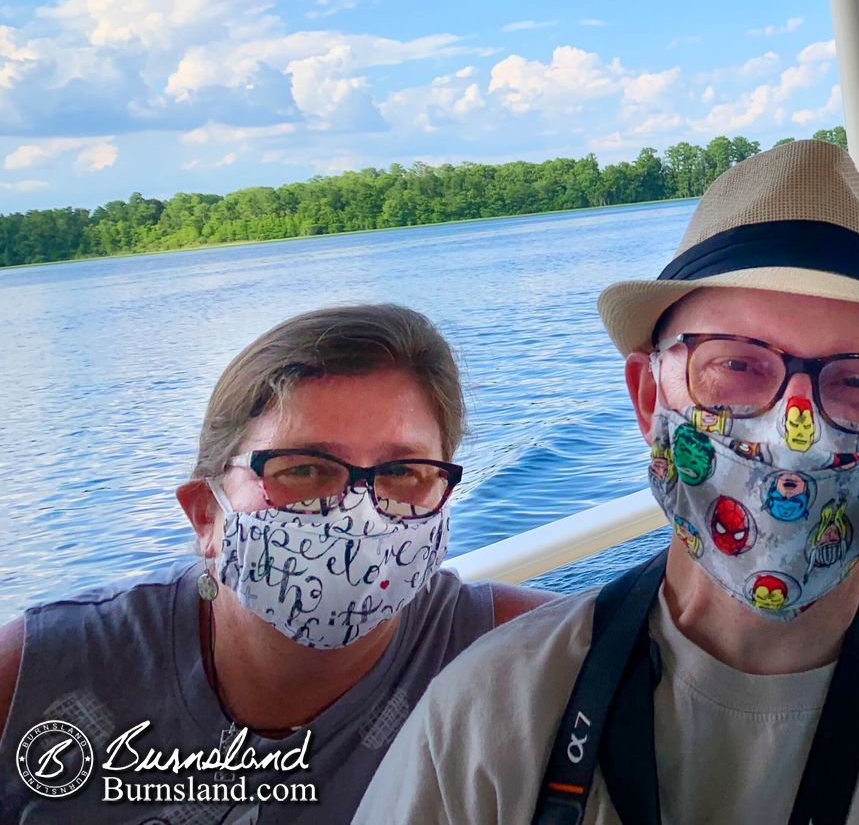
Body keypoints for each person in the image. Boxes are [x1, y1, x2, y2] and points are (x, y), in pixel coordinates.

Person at [357, 139, 859, 825]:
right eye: (736, 367)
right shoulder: (487, 724)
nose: (793, 434)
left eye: (856, 382)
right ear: (647, 397)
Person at [0, 303, 555, 820]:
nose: (357, 515)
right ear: (205, 515)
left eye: (403, 471)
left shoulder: (526, 660)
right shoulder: (34, 678)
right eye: (304, 469)